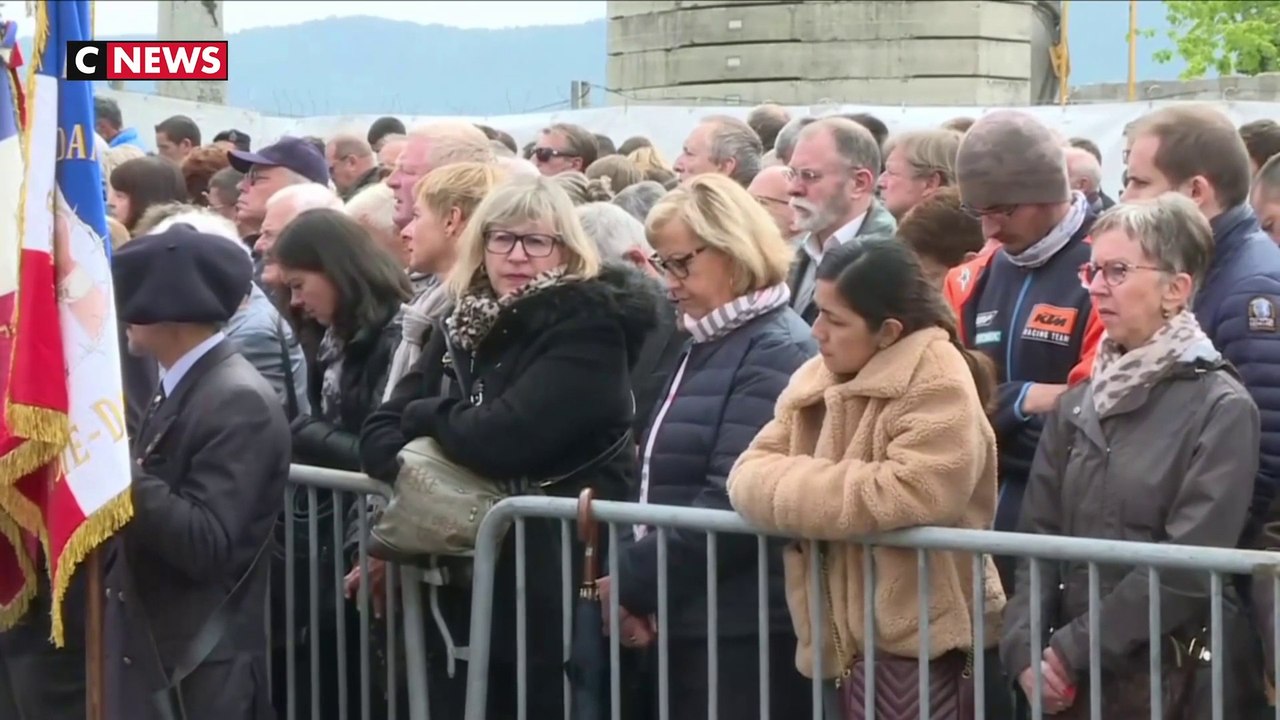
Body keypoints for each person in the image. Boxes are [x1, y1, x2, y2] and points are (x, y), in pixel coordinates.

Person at [358, 175, 661, 718]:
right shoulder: (461, 321)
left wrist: (428, 418)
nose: (516, 254)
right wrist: (415, 456)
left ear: (565, 250)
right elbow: (379, 428)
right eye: (502, 238)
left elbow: (506, 439)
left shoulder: (589, 328)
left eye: (535, 241)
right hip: (462, 569)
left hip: (549, 571)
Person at [1001, 195, 1265, 717]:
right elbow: (1036, 540)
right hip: (1074, 684)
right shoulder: (1079, 402)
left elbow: (1186, 564)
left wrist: (1070, 649)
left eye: (1117, 270)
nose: (1097, 286)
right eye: (1093, 270)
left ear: (1176, 289)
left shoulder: (1222, 405)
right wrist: (1027, 652)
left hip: (1178, 680)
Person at [728, 238, 1006, 720]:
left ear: (888, 332)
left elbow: (916, 490)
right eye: (818, 312)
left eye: (835, 320)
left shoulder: (938, 378)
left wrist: (790, 488)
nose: (817, 332)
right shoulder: (816, 375)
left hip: (924, 650)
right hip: (840, 644)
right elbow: (745, 474)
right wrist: (824, 493)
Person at [610, 173, 815, 719]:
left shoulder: (773, 348)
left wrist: (633, 580)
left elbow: (734, 497)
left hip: (744, 624)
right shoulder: (709, 337)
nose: (669, 281)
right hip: (698, 610)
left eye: (682, 263)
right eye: (662, 263)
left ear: (734, 252)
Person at [104, 224, 289, 720]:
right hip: (160, 651)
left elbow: (207, 543)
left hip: (202, 669)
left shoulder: (235, 399)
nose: (121, 316)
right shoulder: (188, 384)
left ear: (166, 312)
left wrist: (117, 467)